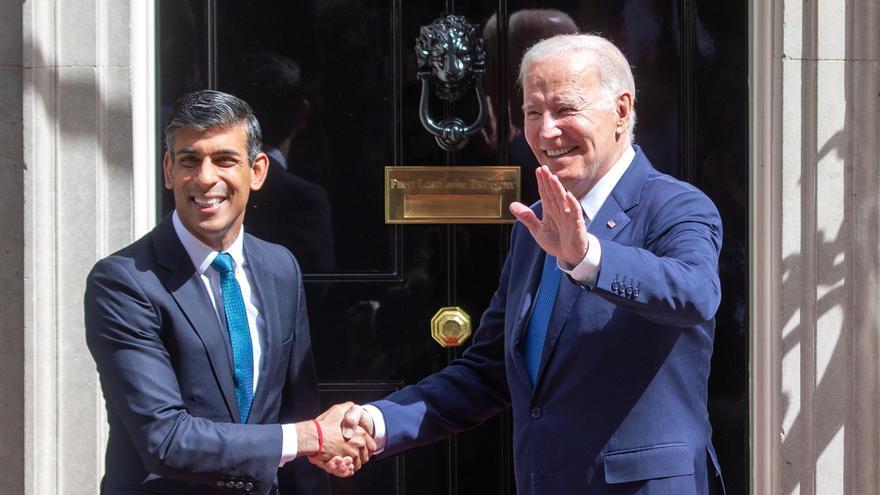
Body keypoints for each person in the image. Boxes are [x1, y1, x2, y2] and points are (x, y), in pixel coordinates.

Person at [323, 34, 726, 494]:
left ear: (620, 110)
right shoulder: (534, 227)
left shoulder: (675, 206)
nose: (545, 131)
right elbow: (492, 368)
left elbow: (695, 294)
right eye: (533, 113)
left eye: (565, 109)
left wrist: (587, 257)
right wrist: (378, 422)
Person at [84, 90, 371, 495]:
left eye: (224, 160)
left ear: (256, 171)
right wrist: (311, 437)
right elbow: (165, 439)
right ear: (168, 170)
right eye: (189, 160)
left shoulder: (280, 268)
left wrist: (319, 450)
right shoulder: (123, 282)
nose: (205, 177)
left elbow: (296, 408)